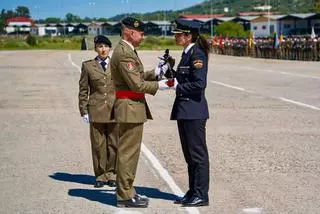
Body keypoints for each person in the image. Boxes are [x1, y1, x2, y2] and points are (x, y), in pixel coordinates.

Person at [110, 17, 173, 208]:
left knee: (130, 153)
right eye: (141, 33)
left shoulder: (126, 50)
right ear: (130, 32)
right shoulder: (124, 53)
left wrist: (155, 72)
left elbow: (135, 77)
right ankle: (124, 195)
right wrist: (162, 85)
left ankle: (127, 191)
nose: (143, 36)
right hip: (129, 107)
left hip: (130, 107)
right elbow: (136, 85)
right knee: (128, 153)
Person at [169, 19, 210, 207]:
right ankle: (193, 191)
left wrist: (178, 87)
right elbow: (183, 77)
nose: (176, 37)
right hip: (185, 111)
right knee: (189, 156)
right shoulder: (186, 53)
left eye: (179, 34)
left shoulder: (197, 53)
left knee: (197, 155)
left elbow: (200, 84)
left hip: (194, 111)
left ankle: (201, 194)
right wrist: (169, 70)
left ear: (188, 36)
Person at [78, 35, 118, 188]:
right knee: (98, 145)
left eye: (106, 46)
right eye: (100, 46)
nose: (103, 49)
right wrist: (83, 110)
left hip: (115, 110)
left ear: (110, 48)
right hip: (95, 110)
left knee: (114, 144)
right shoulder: (88, 66)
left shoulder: (116, 64)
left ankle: (112, 174)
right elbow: (83, 90)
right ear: (95, 48)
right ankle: (100, 176)